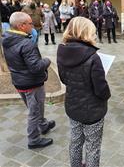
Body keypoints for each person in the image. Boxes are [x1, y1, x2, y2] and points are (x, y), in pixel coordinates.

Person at [57, 17, 111, 167]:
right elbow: (101, 90)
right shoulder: (93, 57)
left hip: (73, 107)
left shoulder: (62, 51)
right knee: (92, 148)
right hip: (92, 111)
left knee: (75, 142)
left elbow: (64, 79)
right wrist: (107, 94)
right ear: (86, 33)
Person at [2, 12, 56, 149]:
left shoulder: (7, 38)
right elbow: (36, 67)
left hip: (19, 81)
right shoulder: (26, 44)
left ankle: (43, 125)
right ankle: (34, 139)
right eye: (30, 23)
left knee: (37, 107)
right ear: (21, 26)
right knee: (34, 111)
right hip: (31, 82)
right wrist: (47, 60)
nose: (33, 25)